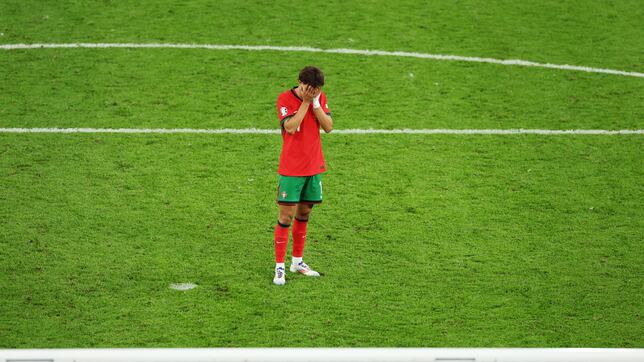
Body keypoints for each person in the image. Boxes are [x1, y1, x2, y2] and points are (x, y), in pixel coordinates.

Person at [272, 66, 333, 286]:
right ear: (300, 82)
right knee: (286, 216)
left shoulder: (319, 97)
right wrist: (306, 103)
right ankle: (279, 267)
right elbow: (290, 127)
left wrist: (315, 103)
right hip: (291, 168)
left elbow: (328, 127)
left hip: (313, 166)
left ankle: (297, 262)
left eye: (317, 89)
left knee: (305, 212)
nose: (313, 92)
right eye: (310, 88)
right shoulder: (284, 99)